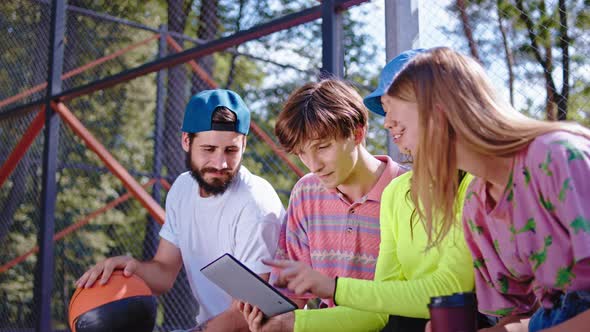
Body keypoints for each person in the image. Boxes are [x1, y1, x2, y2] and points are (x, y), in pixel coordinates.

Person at [240, 52, 475, 332]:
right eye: (302, 153)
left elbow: (420, 299)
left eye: (322, 147)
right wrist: (277, 317)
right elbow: (297, 294)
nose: (314, 165)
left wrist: (331, 290)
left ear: (357, 133)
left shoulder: (462, 185)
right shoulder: (316, 192)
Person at [378, 47, 590, 332]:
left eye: (395, 114)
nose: (387, 123)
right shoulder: (477, 203)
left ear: (438, 113)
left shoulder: (556, 157)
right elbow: (523, 317)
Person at [75, 89, 285, 331]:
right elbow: (164, 273)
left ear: (244, 144)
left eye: (231, 150)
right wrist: (132, 269)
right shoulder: (182, 189)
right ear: (186, 141)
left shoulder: (256, 204)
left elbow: (254, 311)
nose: (220, 163)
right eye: (209, 149)